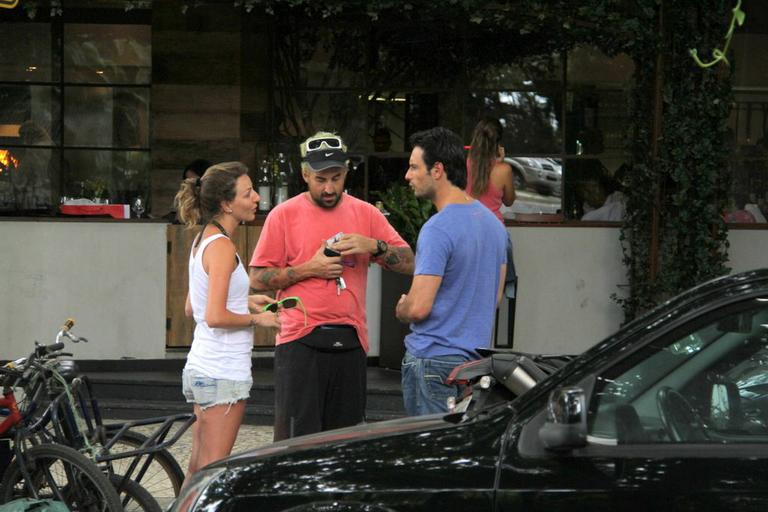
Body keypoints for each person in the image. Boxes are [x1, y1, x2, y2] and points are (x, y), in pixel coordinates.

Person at [249, 131, 415, 441]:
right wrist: (309, 268)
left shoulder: (366, 213)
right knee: (296, 441)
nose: (328, 187)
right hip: (299, 338)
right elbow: (258, 278)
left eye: (336, 178)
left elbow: (409, 262)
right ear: (304, 174)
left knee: (344, 443)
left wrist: (374, 246)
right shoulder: (283, 215)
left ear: (346, 172)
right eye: (320, 179)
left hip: (351, 339)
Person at [174, 161, 280, 483]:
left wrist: (243, 300)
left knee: (197, 468)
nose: (256, 199)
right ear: (226, 203)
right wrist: (257, 318)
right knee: (213, 474)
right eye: (248, 194)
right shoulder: (222, 247)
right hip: (222, 371)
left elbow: (193, 306)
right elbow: (215, 315)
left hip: (202, 367)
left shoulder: (203, 240)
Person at [397, 126, 507, 416]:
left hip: (433, 363)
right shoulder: (495, 226)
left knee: (428, 457)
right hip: (472, 367)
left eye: (413, 167)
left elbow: (419, 308)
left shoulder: (437, 228)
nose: (407, 176)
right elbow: (494, 299)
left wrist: (402, 308)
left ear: (437, 170)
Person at [466, 117, 517, 296]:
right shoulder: (504, 170)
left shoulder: (466, 163)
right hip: (494, 231)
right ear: (498, 144)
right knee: (506, 249)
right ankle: (508, 285)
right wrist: (501, 162)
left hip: (468, 228)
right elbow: (509, 201)